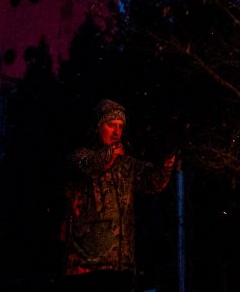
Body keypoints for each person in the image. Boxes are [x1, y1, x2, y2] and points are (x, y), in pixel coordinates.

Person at [63, 99, 174, 291]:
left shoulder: (126, 164)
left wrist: (167, 157)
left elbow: (154, 182)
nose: (117, 132)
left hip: (121, 265)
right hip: (87, 266)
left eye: (121, 126)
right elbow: (92, 165)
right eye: (111, 125)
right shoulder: (80, 156)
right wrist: (113, 152)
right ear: (97, 127)